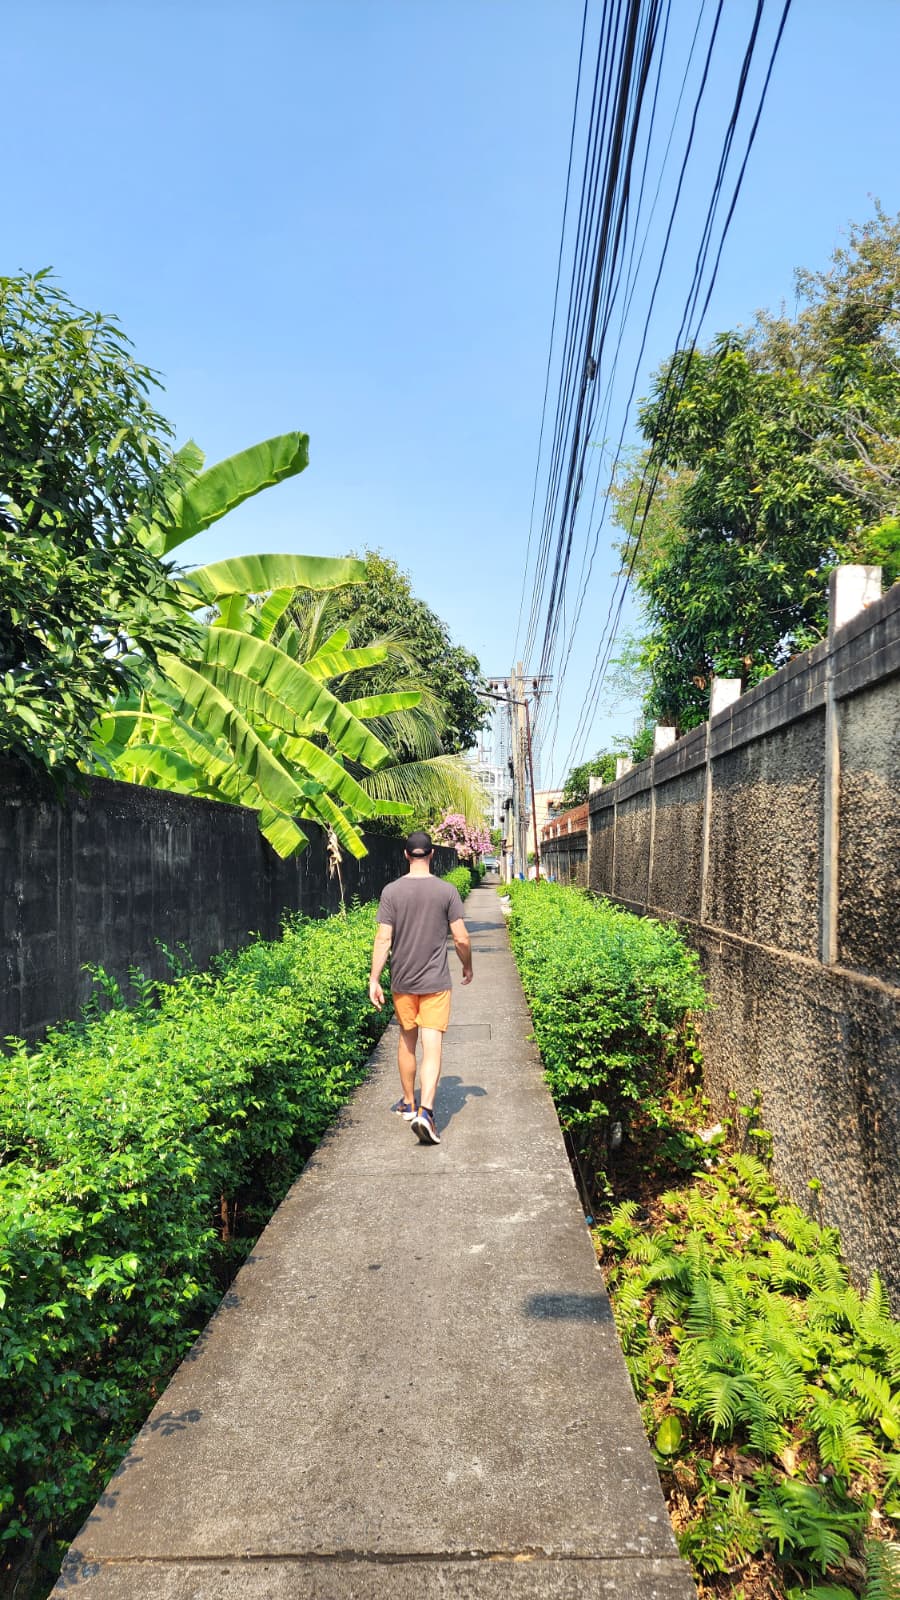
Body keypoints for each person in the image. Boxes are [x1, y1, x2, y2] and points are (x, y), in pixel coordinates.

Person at [369, 830, 473, 1145]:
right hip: (435, 982)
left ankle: (408, 1102)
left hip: (402, 981)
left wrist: (374, 978)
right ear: (432, 854)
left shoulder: (391, 891)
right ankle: (426, 1111)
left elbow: (383, 939)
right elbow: (461, 937)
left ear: (405, 855)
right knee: (432, 1045)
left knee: (407, 1040)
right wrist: (467, 965)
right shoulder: (446, 891)